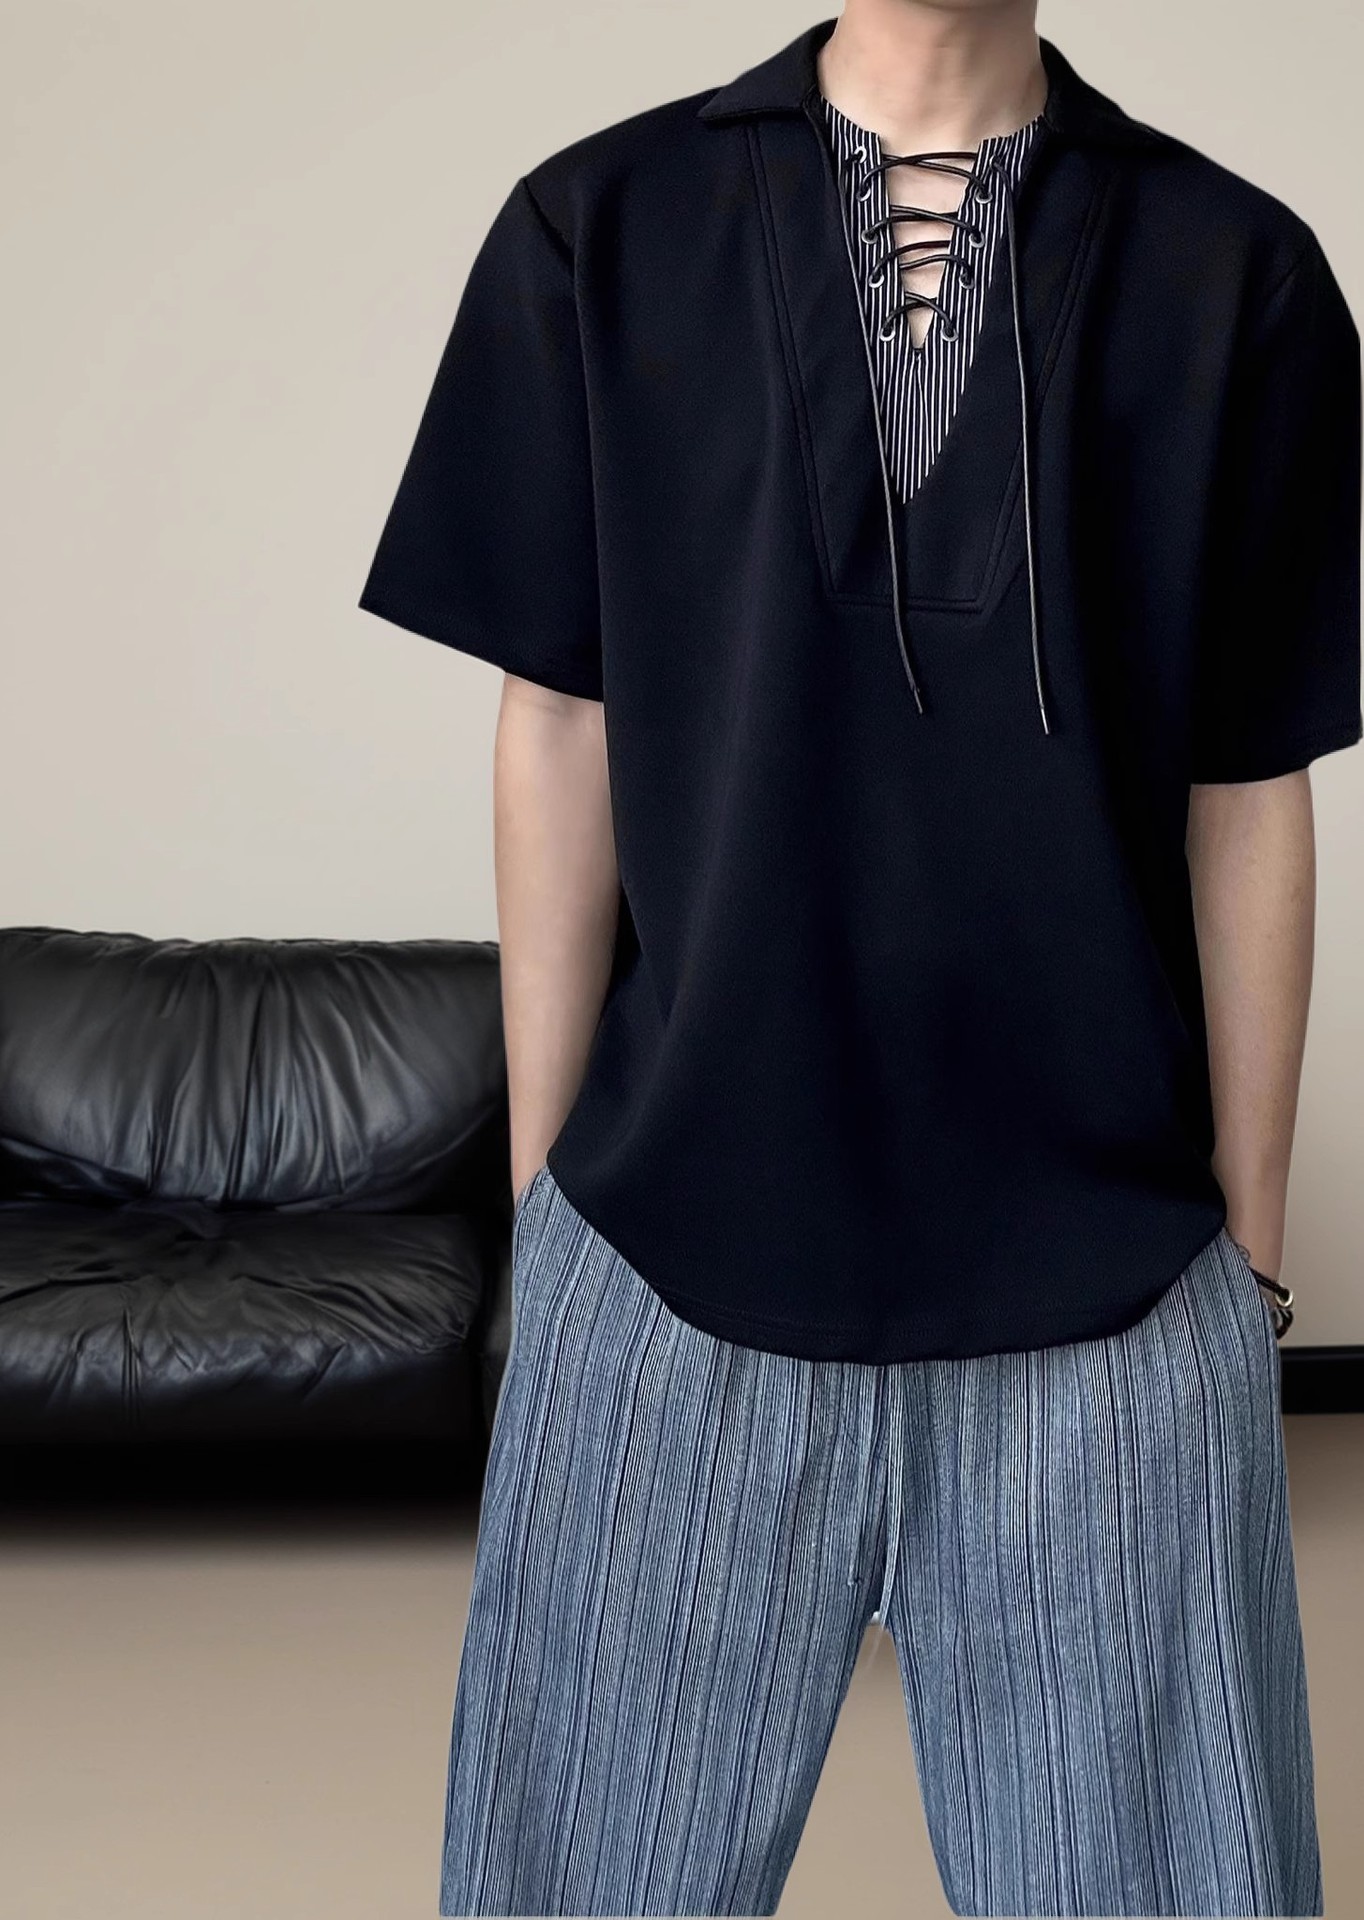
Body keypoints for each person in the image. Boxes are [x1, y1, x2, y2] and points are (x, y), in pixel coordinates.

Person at [357, 3, 1360, 1913]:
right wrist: (548, 1208)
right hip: (670, 1257)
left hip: (1113, 1288)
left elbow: (1252, 783)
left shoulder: (1237, 271)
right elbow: (557, 725)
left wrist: (1244, 1254)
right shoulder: (598, 228)